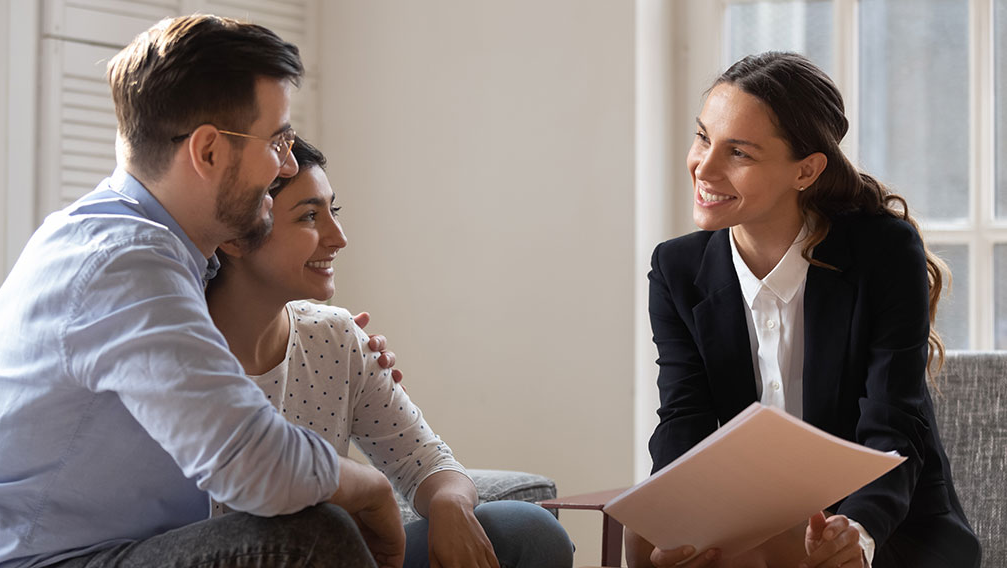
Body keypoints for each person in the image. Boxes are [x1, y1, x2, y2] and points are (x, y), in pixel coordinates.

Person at [0, 15, 407, 568]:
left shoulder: (158, 252)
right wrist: (372, 489)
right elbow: (251, 463)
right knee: (309, 537)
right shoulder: (125, 263)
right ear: (209, 151)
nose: (287, 163)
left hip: (100, 551)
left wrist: (339, 343)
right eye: (278, 140)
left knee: (509, 529)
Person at [625, 52, 980, 568]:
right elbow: (684, 418)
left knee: (769, 553)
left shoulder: (882, 252)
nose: (705, 166)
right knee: (642, 544)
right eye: (703, 137)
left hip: (888, 525)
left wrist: (854, 532)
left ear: (807, 170)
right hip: (756, 520)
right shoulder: (677, 268)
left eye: (739, 152)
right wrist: (677, 519)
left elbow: (893, 425)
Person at [205, 137, 575, 568]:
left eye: (333, 211)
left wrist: (449, 505)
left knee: (526, 530)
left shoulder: (335, 336)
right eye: (309, 216)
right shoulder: (173, 353)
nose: (338, 237)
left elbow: (426, 461)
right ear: (235, 237)